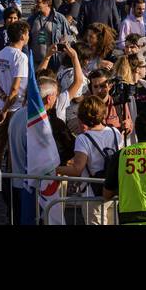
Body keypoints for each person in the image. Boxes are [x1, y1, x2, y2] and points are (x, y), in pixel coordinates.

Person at [59, 94, 125, 224]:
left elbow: (77, 169)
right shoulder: (114, 132)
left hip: (93, 193)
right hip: (113, 189)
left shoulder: (83, 139)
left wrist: (57, 169)